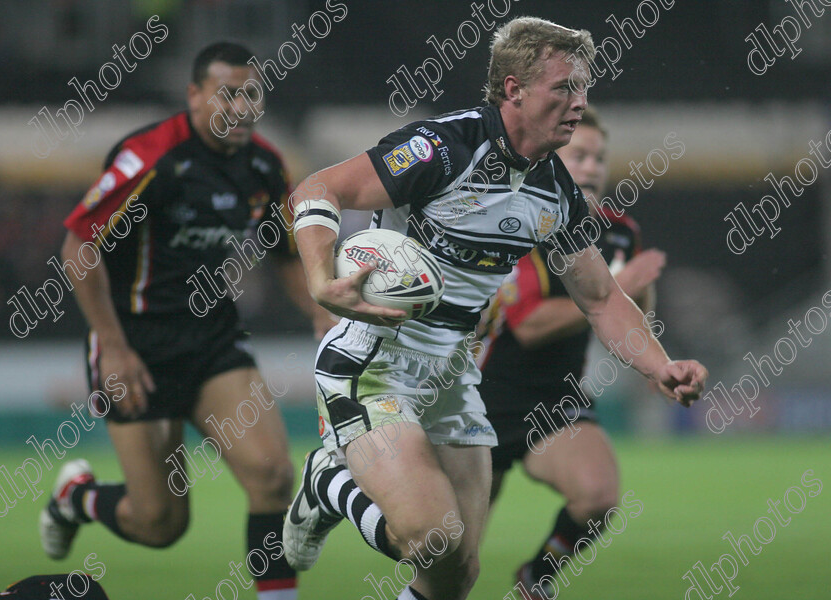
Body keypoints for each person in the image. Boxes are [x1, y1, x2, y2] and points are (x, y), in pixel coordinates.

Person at [283, 17, 707, 600]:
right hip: (374, 363)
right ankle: (326, 482)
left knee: (454, 577)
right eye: (562, 88)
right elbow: (315, 190)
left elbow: (602, 297)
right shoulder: (441, 147)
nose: (579, 103)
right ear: (513, 89)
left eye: (584, 88)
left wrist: (663, 367)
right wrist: (319, 280)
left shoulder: (554, 190)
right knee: (432, 537)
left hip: (453, 374)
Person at [40, 42, 330, 600]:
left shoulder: (264, 165)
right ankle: (75, 497)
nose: (242, 107)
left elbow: (287, 256)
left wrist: (322, 314)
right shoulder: (151, 157)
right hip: (136, 345)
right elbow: (79, 245)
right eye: (228, 93)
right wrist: (114, 347)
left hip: (212, 340)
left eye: (252, 95)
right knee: (160, 525)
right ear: (194, 95)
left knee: (273, 478)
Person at [475, 107, 666, 596]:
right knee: (453, 556)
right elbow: (530, 325)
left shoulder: (619, 230)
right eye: (579, 155)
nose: (592, 167)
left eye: (599, 158)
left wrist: (655, 363)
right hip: (481, 401)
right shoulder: (519, 221)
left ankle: (536, 577)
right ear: (551, 159)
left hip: (557, 397)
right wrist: (618, 287)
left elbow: (628, 312)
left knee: (598, 496)